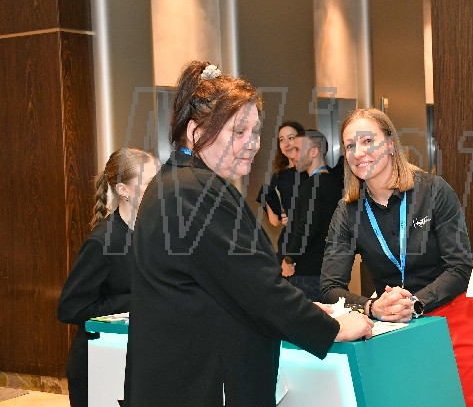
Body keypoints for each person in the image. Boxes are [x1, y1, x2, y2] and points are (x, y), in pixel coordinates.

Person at [125, 61, 372, 407]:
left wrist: (309, 309)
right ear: (195, 132)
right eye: (238, 132)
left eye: (255, 132)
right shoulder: (193, 192)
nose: (253, 144)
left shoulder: (178, 183)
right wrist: (332, 329)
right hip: (203, 384)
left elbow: (231, 285)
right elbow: (257, 287)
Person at [320, 108, 473, 407]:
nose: (358, 153)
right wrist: (371, 307)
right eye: (350, 145)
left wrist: (415, 304)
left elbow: (459, 267)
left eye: (367, 141)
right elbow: (329, 287)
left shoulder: (433, 191)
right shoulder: (347, 213)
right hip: (394, 330)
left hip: (453, 321)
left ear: (390, 143)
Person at [57, 148, 157, 407]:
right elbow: (71, 308)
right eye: (149, 183)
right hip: (100, 366)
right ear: (123, 190)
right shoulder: (102, 242)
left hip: (137, 361)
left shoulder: (153, 232)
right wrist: (140, 299)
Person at [284, 130, 343, 301]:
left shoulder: (312, 185)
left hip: (308, 273)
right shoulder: (334, 183)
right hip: (330, 270)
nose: (293, 156)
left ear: (314, 151)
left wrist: (289, 259)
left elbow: (307, 227)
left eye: (297, 150)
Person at [256, 121, 308, 274]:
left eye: (291, 138)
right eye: (281, 140)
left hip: (313, 242)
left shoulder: (312, 170)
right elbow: (275, 221)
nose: (286, 144)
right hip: (289, 243)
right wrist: (283, 216)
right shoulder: (278, 176)